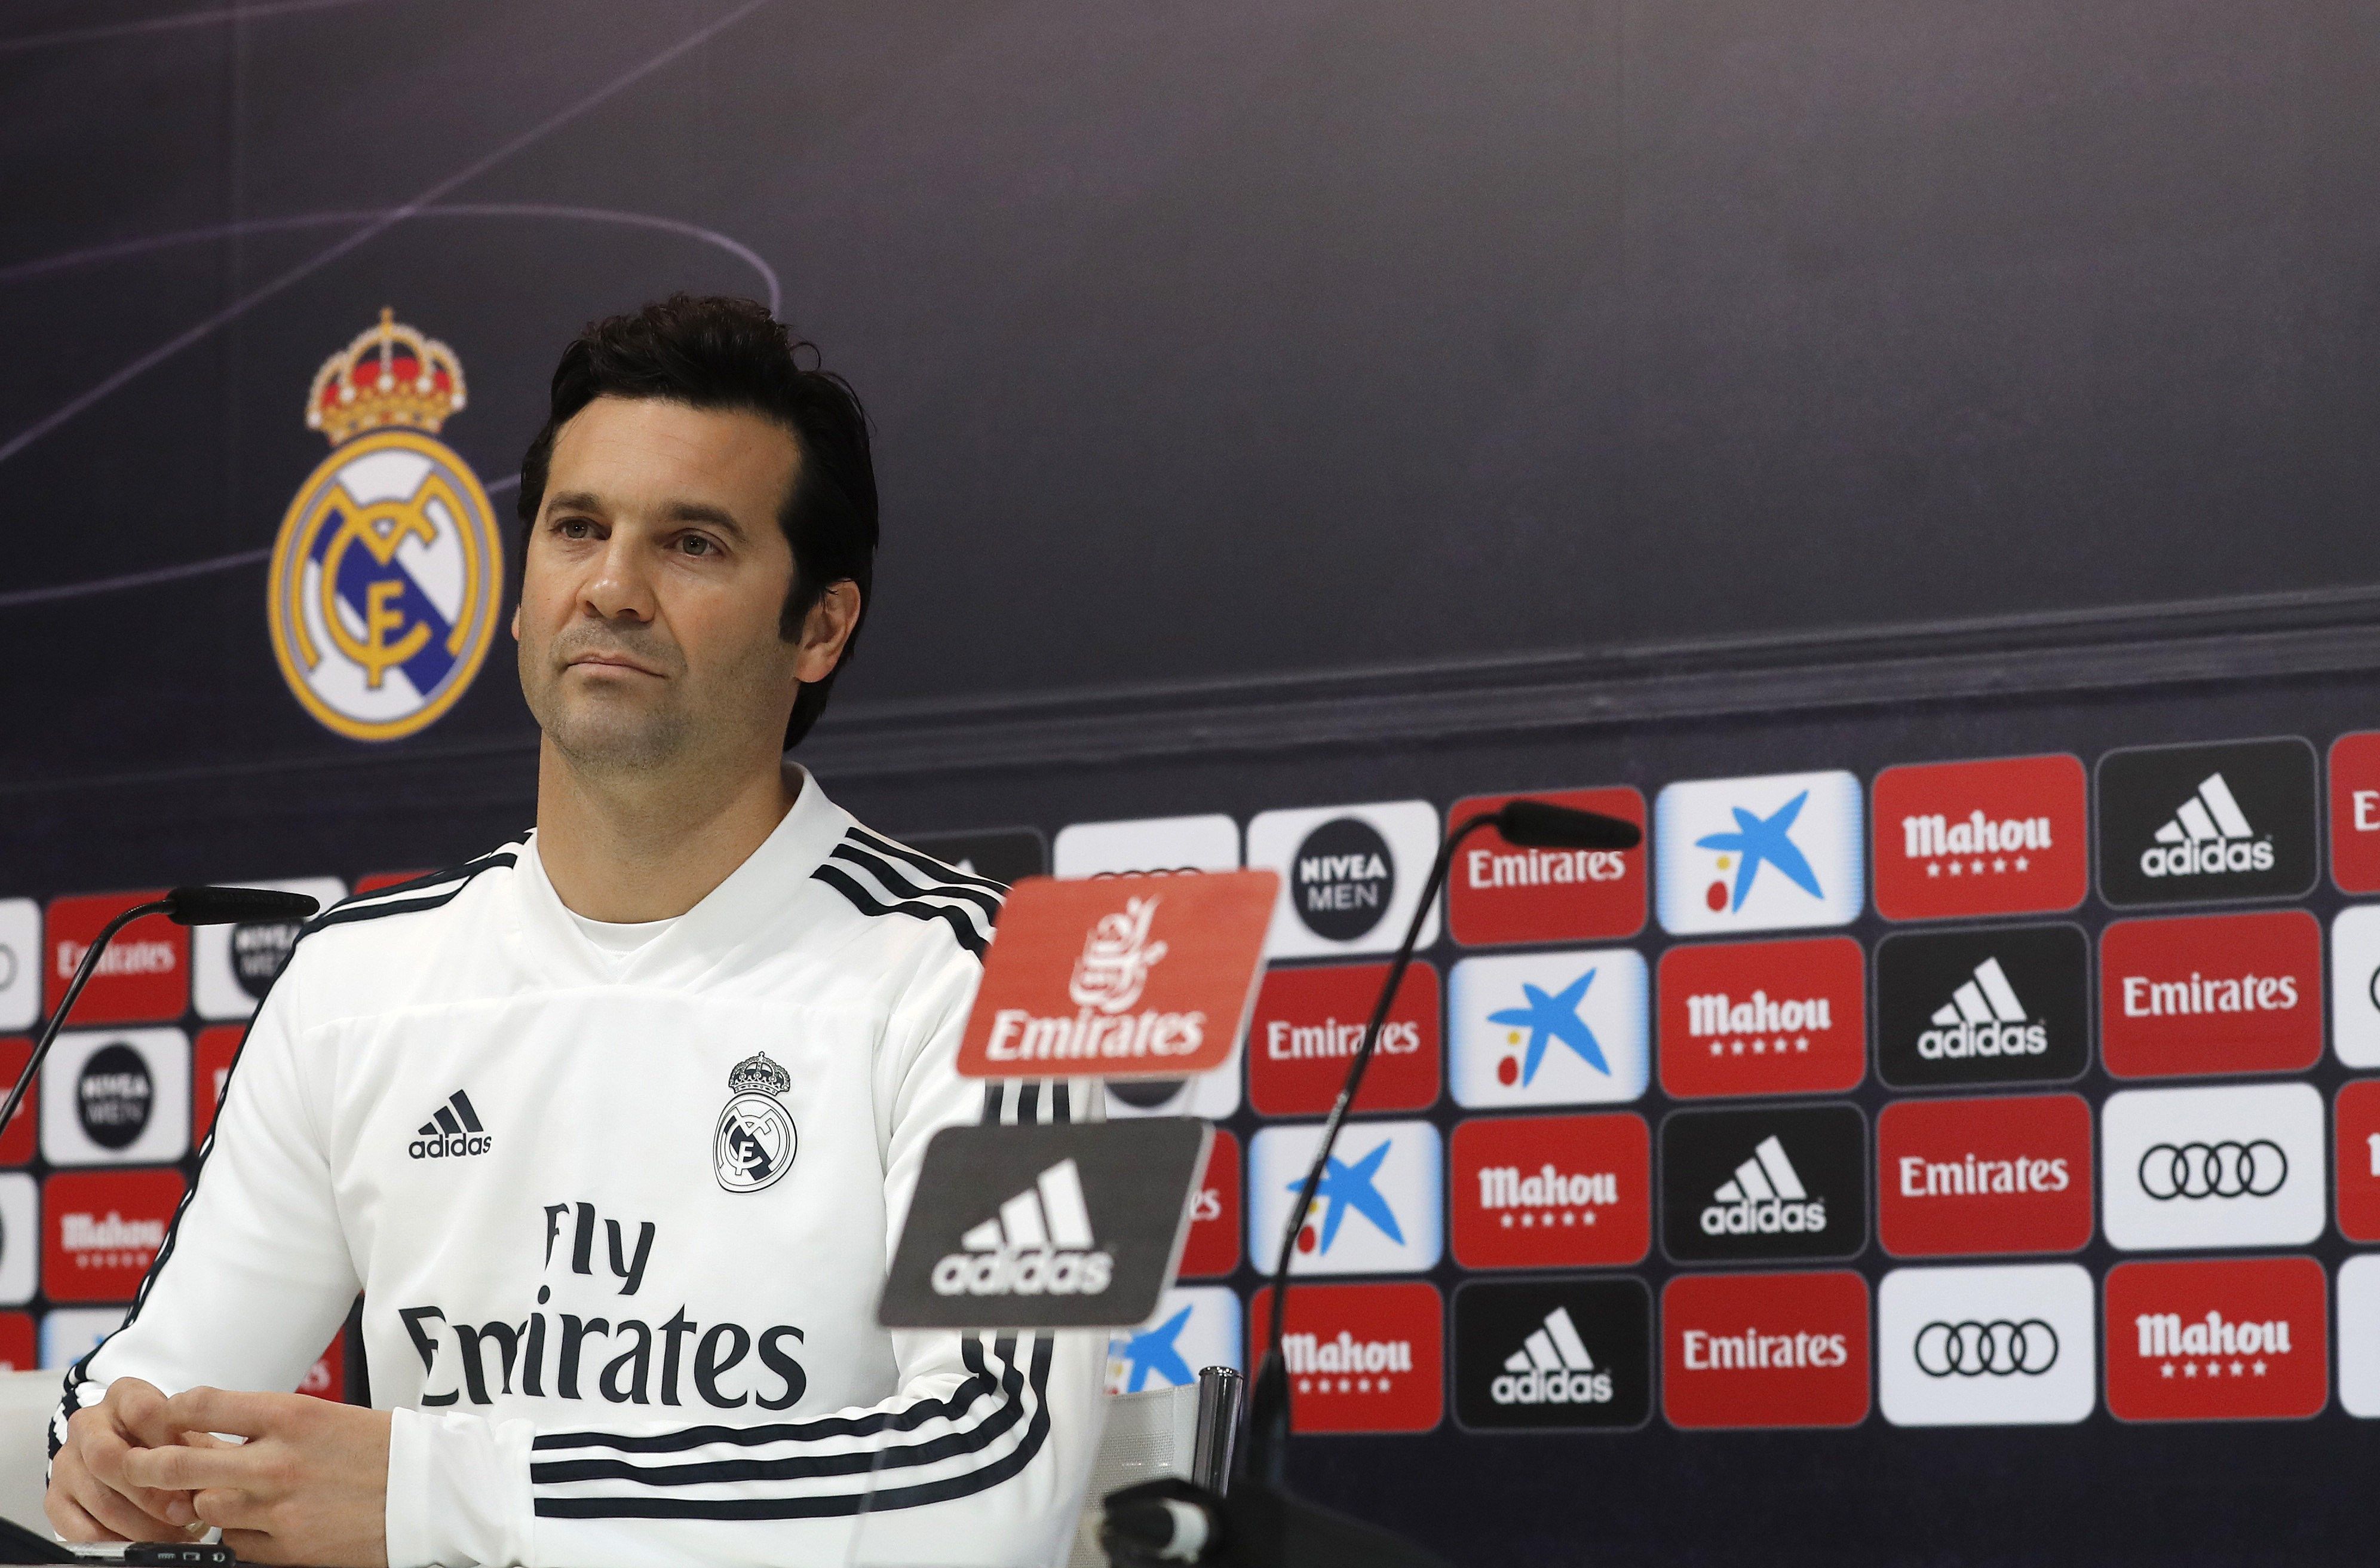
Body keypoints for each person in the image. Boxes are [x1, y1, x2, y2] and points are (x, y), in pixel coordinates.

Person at [44, 295, 1103, 1568]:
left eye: (694, 544)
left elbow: (999, 1476)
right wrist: (119, 1456)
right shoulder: (352, 982)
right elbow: (151, 1396)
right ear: (520, 581)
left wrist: (441, 1492)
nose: (613, 586)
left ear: (821, 626)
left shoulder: (1003, 984)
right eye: (576, 529)